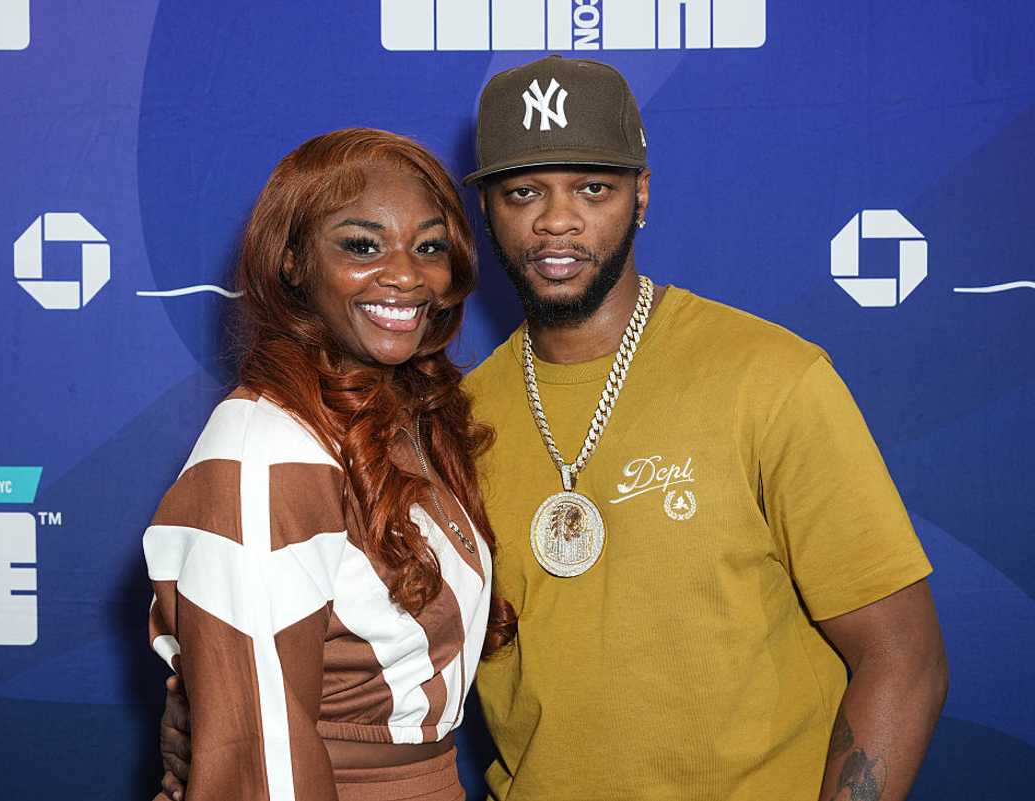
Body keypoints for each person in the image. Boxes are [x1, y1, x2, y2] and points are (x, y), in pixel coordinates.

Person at [159, 58, 948, 801]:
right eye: (524, 193)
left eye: (593, 188)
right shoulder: (447, 419)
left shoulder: (774, 377)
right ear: (486, 213)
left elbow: (903, 659)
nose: (557, 222)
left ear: (640, 194)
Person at [144, 127, 514, 801]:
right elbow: (257, 762)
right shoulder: (264, 450)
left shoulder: (406, 414)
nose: (406, 274)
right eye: (362, 244)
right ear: (291, 260)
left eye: (429, 245)